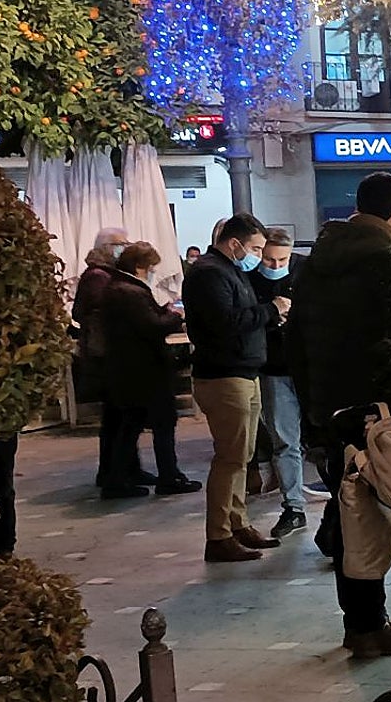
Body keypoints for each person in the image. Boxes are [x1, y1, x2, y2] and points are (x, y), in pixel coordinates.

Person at [287, 172, 391, 658]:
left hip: (329, 410)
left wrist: (312, 407)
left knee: (350, 512)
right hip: (376, 412)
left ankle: (364, 620)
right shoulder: (388, 263)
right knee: (382, 514)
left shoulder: (315, 264)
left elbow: (294, 341)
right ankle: (370, 626)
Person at [183, 213, 290, 563]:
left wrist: (269, 317)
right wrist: (270, 310)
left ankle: (238, 522)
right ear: (234, 244)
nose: (258, 257)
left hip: (243, 372)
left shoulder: (230, 271)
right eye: (256, 249)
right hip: (224, 376)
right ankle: (219, 535)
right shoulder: (210, 273)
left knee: (242, 456)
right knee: (230, 458)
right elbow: (224, 323)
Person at [101, 242, 203, 499]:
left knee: (131, 425)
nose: (154, 272)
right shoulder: (130, 292)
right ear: (140, 267)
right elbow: (152, 325)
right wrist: (175, 316)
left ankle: (120, 478)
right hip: (145, 370)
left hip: (129, 369)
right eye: (152, 267)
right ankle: (168, 476)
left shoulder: (118, 288)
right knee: (162, 423)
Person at [74, 227, 154, 489]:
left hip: (110, 355)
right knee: (119, 419)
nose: (124, 247)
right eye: (120, 243)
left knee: (121, 418)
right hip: (109, 357)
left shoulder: (107, 274)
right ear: (106, 247)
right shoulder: (99, 276)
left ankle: (128, 469)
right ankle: (116, 475)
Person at [248, 229, 307, 539]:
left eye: (282, 260)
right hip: (273, 368)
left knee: (322, 439)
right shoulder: (250, 278)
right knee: (284, 440)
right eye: (269, 260)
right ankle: (294, 506)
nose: (275, 266)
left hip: (308, 366)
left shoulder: (305, 271)